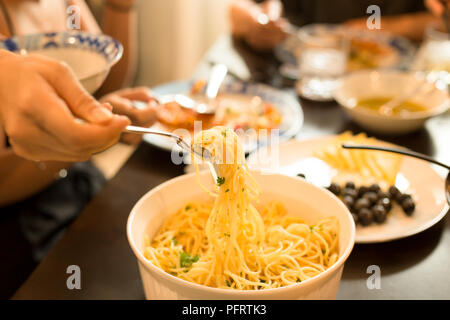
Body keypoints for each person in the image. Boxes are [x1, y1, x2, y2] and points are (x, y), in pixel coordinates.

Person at [0, 0, 156, 264]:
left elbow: (103, 78)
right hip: (19, 225)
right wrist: (88, 138)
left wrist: (120, 7)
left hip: (79, 181)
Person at [229, 0, 444, 51]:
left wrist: (379, 29)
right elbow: (237, 9)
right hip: (308, 88)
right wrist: (257, 20)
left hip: (399, 87)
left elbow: (443, 21)